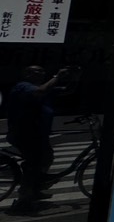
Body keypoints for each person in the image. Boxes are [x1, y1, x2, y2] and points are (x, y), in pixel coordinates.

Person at [4, 65, 75, 212]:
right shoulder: (23, 86)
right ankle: (23, 200)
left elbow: (67, 91)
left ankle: (35, 189)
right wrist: (57, 76)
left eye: (43, 71)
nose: (42, 73)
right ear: (27, 74)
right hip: (24, 133)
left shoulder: (44, 87)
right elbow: (39, 92)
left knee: (47, 158)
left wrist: (76, 77)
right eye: (38, 71)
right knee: (33, 164)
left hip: (38, 133)